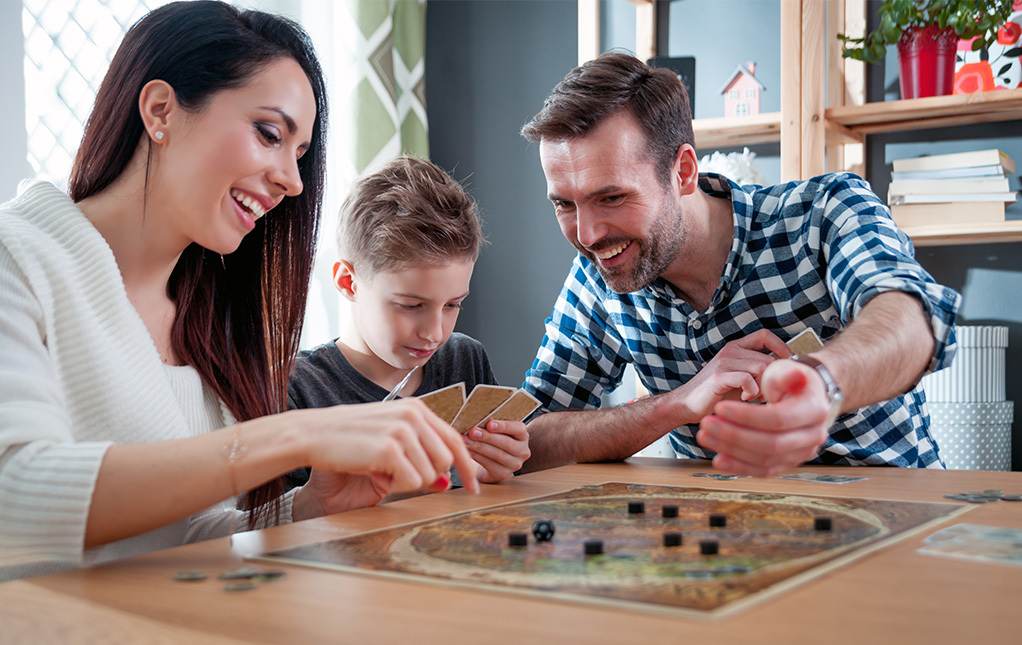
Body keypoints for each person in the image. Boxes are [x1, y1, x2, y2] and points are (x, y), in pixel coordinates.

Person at [0, 1, 477, 582]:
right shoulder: (16, 255)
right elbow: (15, 497)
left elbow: (176, 537)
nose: (293, 181)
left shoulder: (204, 317)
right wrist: (295, 435)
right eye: (269, 133)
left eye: (300, 155)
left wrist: (305, 508)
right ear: (160, 112)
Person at [518, 52, 961, 477]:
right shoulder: (599, 274)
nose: (589, 235)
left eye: (612, 197)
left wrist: (821, 383)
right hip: (727, 536)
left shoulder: (823, 213)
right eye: (564, 204)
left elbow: (909, 318)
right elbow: (528, 438)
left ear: (683, 172)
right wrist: (678, 404)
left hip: (893, 511)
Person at [286, 155, 530, 496]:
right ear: (348, 282)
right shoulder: (297, 391)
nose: (434, 333)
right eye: (411, 306)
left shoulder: (464, 360)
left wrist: (499, 466)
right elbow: (270, 527)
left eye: (453, 305)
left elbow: (489, 488)